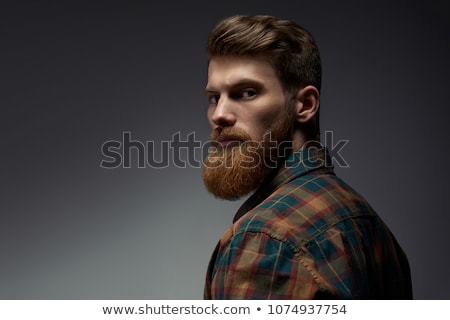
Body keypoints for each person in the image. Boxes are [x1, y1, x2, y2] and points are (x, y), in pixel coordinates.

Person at [201, 15, 413, 299]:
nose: (219, 114)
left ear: (305, 104)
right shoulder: (366, 222)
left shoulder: (264, 240)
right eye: (215, 97)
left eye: (247, 92)